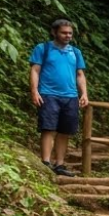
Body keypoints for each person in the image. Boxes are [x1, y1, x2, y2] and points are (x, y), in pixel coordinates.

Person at [29, 19, 89, 177]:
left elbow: (80, 74)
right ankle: (46, 162)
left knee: (65, 131)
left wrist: (84, 93)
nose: (67, 35)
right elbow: (35, 70)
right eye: (64, 32)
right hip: (48, 94)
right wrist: (34, 91)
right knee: (48, 128)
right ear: (54, 32)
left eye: (70, 33)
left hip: (71, 96)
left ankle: (60, 164)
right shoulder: (44, 48)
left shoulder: (75, 52)